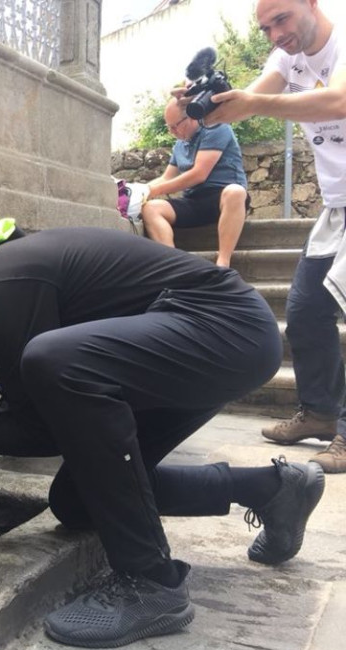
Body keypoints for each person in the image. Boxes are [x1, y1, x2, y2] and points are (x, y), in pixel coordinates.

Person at [0, 218, 325, 648]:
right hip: (210, 338)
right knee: (76, 500)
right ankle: (273, 489)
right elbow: (56, 425)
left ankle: (150, 582)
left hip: (225, 328)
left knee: (52, 359)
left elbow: (43, 431)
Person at [201, 0, 346, 473]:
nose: (274, 35)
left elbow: (338, 99)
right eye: (264, 27)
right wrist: (207, 104)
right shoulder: (287, 59)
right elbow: (245, 104)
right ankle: (320, 412)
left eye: (281, 19)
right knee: (305, 312)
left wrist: (254, 102)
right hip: (336, 207)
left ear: (311, 4)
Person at [141, 98, 250, 268]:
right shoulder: (179, 145)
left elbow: (199, 174)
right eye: (169, 127)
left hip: (223, 198)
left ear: (191, 116)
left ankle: (223, 261)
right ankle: (173, 264)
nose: (173, 131)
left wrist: (152, 190)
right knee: (150, 208)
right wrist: (139, 190)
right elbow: (166, 177)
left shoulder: (217, 128)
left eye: (176, 126)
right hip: (194, 201)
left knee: (235, 192)